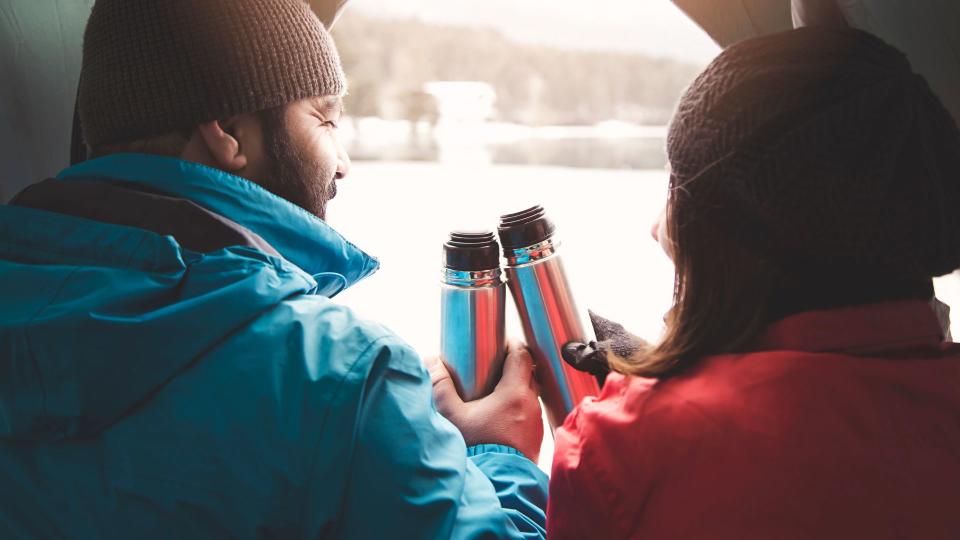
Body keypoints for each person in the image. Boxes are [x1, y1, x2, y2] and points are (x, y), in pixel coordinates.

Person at [0, 1, 546, 538]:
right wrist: (499, 454)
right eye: (324, 118)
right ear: (230, 131)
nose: (342, 163)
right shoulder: (342, 375)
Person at [549, 28, 960, 539]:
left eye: (677, 187)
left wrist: (495, 451)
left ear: (735, 239)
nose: (656, 228)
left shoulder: (623, 450)